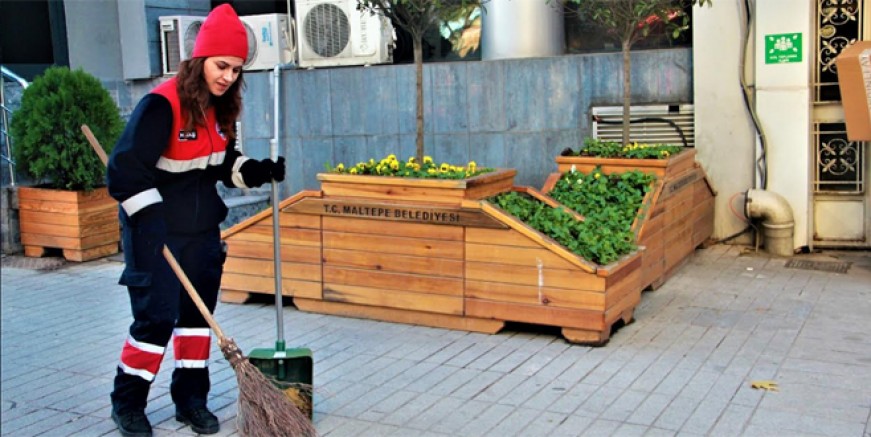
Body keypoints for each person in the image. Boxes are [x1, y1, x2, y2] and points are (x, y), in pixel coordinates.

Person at [106, 4, 285, 437]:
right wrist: (149, 221)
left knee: (195, 323)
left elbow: (222, 164)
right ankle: (127, 404)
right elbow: (125, 172)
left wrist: (255, 170)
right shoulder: (161, 105)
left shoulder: (220, 110)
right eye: (221, 66)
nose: (227, 76)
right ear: (199, 60)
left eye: (236, 70)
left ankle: (191, 401)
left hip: (202, 235)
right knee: (155, 322)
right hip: (156, 236)